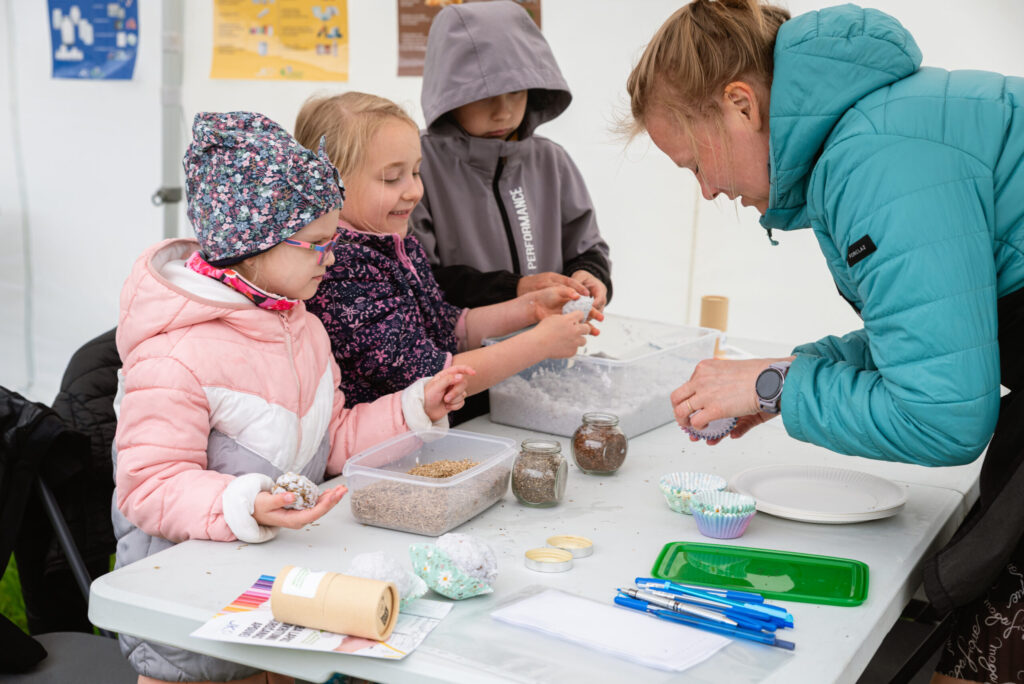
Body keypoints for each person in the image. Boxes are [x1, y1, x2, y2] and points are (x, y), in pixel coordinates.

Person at [625, 2, 1024, 682]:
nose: (710, 189)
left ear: (741, 105)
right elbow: (935, 339)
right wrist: (786, 375)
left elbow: (943, 415)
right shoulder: (881, 125)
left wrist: (775, 385)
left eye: (696, 163)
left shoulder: (875, 159)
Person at [112, 111, 471, 684]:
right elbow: (148, 485)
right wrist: (244, 502)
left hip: (274, 600)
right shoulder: (174, 355)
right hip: (190, 630)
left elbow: (333, 441)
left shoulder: (302, 327)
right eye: (317, 244)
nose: (332, 258)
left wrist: (413, 407)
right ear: (250, 247)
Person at [295, 92, 601, 418]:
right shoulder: (341, 270)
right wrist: (540, 344)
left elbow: (451, 327)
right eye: (391, 177)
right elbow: (430, 378)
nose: (413, 191)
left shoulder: (399, 247)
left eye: (415, 172)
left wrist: (531, 307)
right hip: (379, 455)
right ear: (330, 182)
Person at [411, 0, 613, 310]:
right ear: (449, 94)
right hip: (465, 353)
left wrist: (590, 275)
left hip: (553, 347)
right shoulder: (417, 164)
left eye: (516, 92)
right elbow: (418, 278)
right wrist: (515, 289)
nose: (503, 112)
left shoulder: (551, 161)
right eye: (485, 96)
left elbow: (587, 246)